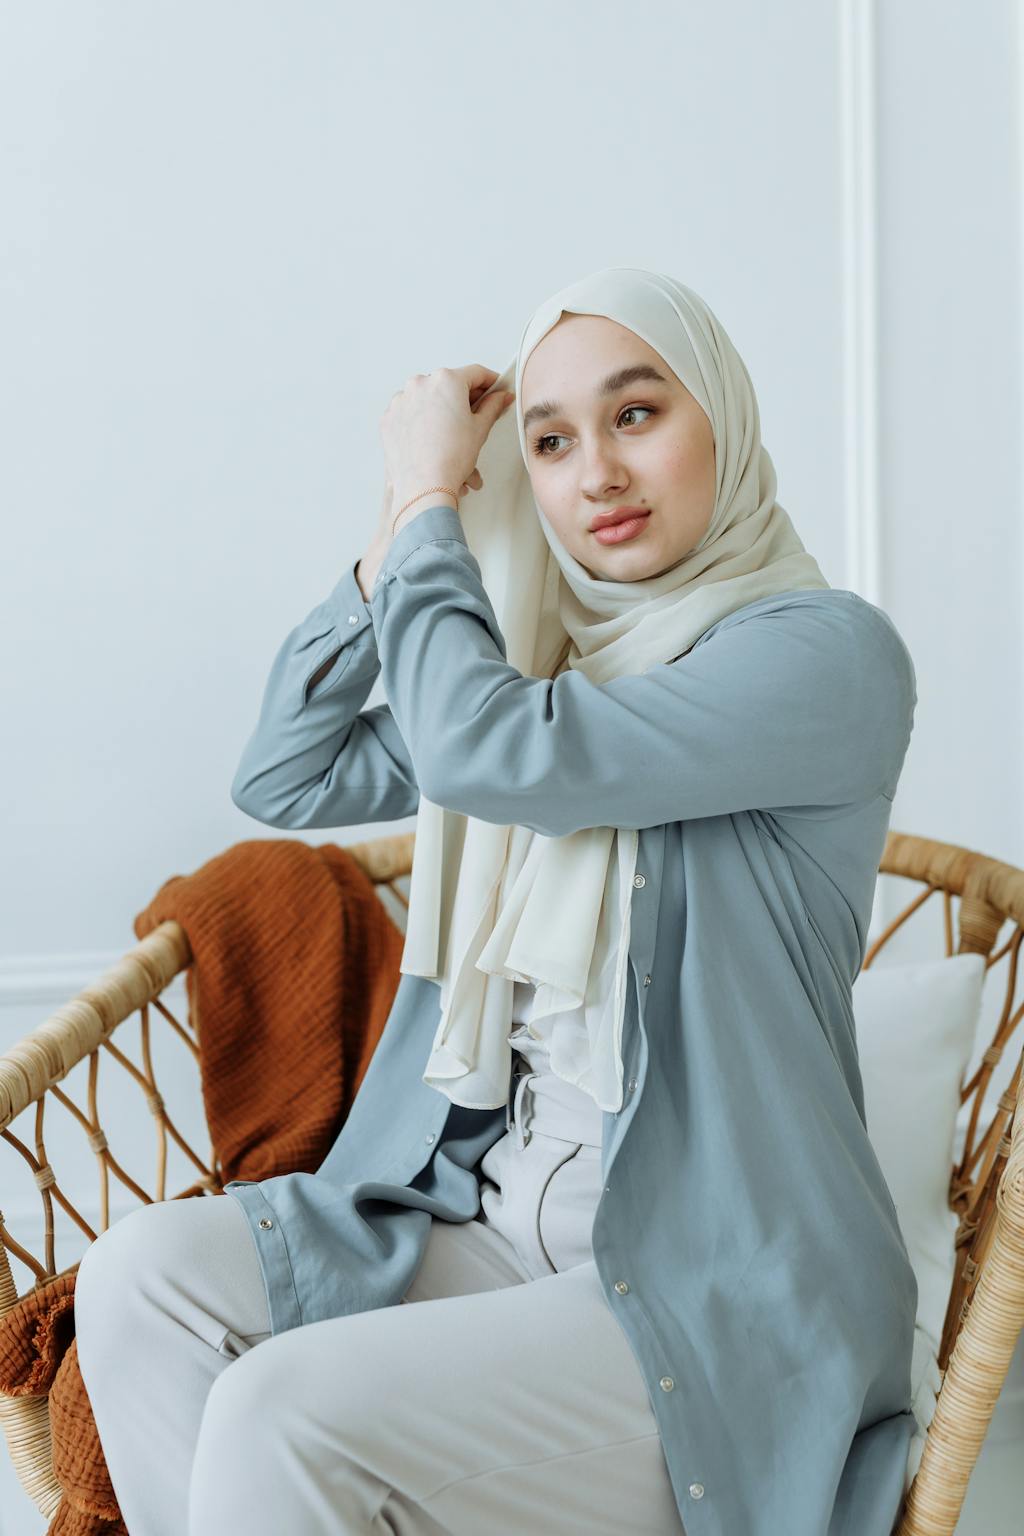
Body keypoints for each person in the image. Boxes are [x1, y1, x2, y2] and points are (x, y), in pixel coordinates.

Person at [75, 266, 921, 1536]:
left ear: (723, 420)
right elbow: (284, 772)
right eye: (548, 440)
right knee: (139, 1279)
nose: (595, 475)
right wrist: (388, 546)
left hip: (705, 1284)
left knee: (279, 1412)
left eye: (636, 415)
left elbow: (490, 751)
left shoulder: (819, 655)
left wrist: (431, 505)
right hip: (486, 1219)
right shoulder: (543, 663)